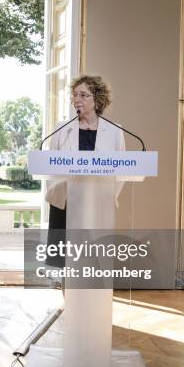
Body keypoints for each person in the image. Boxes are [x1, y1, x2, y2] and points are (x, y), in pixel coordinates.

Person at [45, 75, 125, 267]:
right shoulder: (62, 129)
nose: (77, 99)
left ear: (97, 99)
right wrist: (59, 192)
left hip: (97, 204)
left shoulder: (114, 131)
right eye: (74, 95)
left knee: (93, 260)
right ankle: (68, 297)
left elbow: (122, 169)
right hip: (64, 203)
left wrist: (107, 196)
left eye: (83, 95)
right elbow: (48, 165)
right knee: (64, 261)